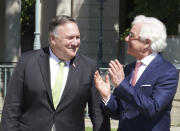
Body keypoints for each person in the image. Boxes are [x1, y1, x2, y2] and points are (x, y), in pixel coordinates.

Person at [0, 15, 110, 131]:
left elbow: (98, 113)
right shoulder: (27, 62)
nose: (75, 42)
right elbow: (11, 109)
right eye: (70, 38)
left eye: (78, 37)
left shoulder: (89, 67)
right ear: (53, 39)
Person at [94, 15, 179, 131]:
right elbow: (120, 112)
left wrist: (122, 84)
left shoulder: (167, 72)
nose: (126, 39)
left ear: (146, 43)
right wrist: (107, 96)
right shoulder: (128, 69)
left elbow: (152, 108)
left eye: (131, 36)